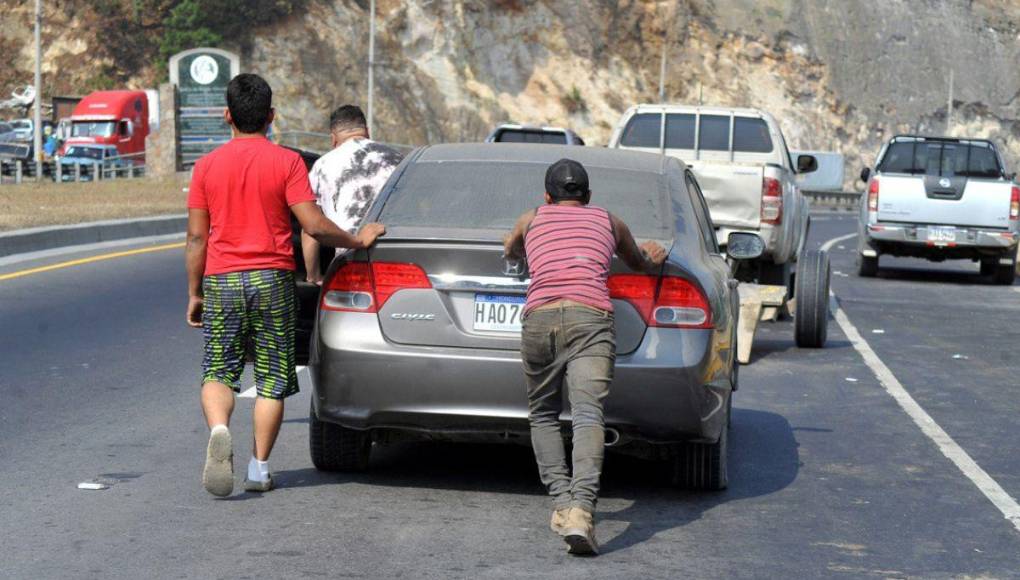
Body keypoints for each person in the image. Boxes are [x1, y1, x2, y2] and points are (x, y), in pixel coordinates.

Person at [185, 74, 385, 497]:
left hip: (222, 278)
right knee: (273, 377)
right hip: (273, 279)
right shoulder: (288, 163)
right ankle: (259, 468)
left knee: (219, 369)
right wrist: (356, 239)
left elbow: (197, 238)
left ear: (227, 116)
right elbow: (313, 225)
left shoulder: (206, 166)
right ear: (271, 117)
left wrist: (195, 292)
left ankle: (220, 427)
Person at [503, 158, 667, 555]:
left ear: (547, 197)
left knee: (542, 412)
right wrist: (653, 258)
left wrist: (521, 249)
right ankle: (582, 510)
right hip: (590, 319)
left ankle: (561, 504)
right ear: (589, 196)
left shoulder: (531, 217)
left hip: (540, 319)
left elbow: (510, 250)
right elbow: (638, 263)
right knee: (588, 415)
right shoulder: (610, 222)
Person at [302, 105, 404, 284]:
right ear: (367, 132)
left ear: (333, 138)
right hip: (396, 261)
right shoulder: (399, 160)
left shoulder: (322, 166)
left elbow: (311, 228)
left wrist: (314, 276)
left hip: (350, 265)